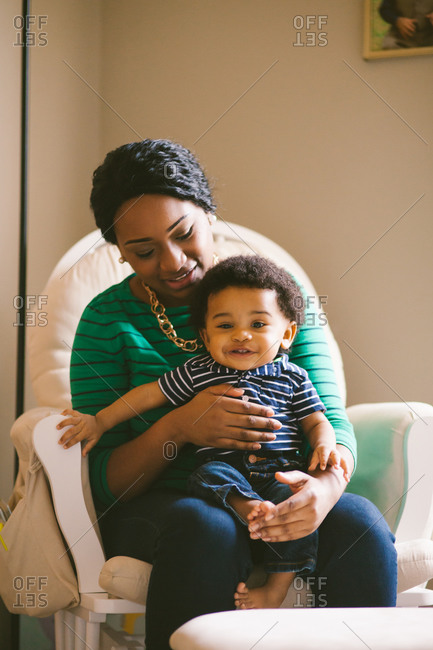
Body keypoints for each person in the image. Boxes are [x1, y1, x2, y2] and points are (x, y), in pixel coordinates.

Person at [67, 139, 397, 650]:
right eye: (144, 251)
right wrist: (179, 427)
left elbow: (327, 416)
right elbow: (105, 485)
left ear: (210, 215)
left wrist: (324, 491)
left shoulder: (276, 299)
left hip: (279, 482)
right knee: (204, 524)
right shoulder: (105, 322)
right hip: (166, 505)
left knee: (359, 521)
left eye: (184, 234)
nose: (174, 262)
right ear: (118, 250)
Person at [58, 254, 350, 609]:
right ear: (206, 336)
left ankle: (275, 589)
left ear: (287, 333)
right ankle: (247, 507)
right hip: (224, 473)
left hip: (279, 473)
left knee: (299, 512)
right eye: (225, 327)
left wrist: (326, 448)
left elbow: (318, 419)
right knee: (208, 475)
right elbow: (150, 394)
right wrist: (100, 421)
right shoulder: (200, 371)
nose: (241, 335)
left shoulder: (293, 377)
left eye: (258, 324)